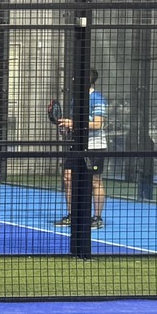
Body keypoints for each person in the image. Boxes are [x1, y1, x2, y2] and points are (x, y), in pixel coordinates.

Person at [55, 69, 108, 230]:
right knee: (68, 178)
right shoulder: (75, 100)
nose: (73, 80)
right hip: (77, 145)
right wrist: (67, 128)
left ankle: (97, 218)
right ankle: (72, 215)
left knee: (95, 181)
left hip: (95, 146)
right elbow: (75, 123)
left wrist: (74, 124)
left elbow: (98, 124)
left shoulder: (97, 98)